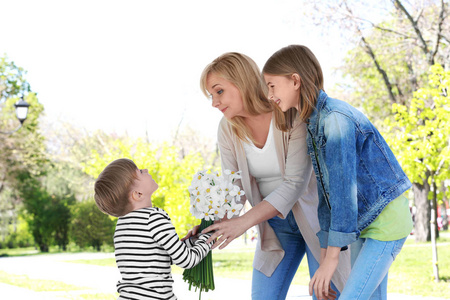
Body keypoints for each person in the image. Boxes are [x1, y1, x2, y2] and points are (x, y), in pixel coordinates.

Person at [262, 44, 413, 300]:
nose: (269, 95)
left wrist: (331, 261)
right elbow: (327, 200)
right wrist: (324, 259)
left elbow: (343, 194)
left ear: (295, 80)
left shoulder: (335, 120)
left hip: (386, 222)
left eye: (272, 85)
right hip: (366, 224)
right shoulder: (314, 123)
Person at [196, 52, 350, 300]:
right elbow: (235, 188)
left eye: (219, 91)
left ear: (242, 81)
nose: (214, 102)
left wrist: (242, 223)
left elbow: (295, 185)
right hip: (275, 227)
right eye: (211, 95)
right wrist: (215, 225)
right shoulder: (228, 128)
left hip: (317, 223)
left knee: (327, 295)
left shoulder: (289, 112)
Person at [94, 158, 213, 300]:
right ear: (138, 194)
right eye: (140, 171)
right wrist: (208, 239)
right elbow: (186, 260)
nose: (146, 170)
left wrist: (192, 241)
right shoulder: (153, 218)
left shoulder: (121, 226)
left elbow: (155, 259)